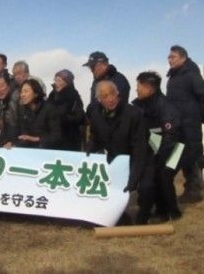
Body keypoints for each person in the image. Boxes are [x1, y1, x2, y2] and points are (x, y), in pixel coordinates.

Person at [87, 81, 154, 224]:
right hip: (116, 158)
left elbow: (139, 148)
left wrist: (134, 178)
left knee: (146, 187)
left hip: (140, 157)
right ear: (99, 99)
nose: (110, 99)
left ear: (117, 93)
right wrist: (89, 150)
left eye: (112, 94)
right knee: (114, 190)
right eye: (104, 96)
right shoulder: (95, 113)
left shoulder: (134, 113)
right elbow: (96, 137)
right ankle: (122, 217)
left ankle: (144, 216)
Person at [133, 71, 182, 221]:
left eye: (139, 86)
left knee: (164, 175)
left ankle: (173, 212)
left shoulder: (165, 107)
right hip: (158, 143)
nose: (136, 90)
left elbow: (171, 135)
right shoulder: (141, 105)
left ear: (148, 88)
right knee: (154, 173)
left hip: (177, 148)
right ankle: (161, 210)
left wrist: (158, 155)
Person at [166, 45, 204, 203]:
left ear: (183, 58)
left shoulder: (192, 75)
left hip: (190, 125)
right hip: (176, 125)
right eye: (169, 57)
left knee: (191, 157)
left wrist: (197, 116)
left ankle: (194, 191)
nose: (169, 60)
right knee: (176, 156)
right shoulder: (173, 76)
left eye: (173, 57)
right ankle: (183, 190)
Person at [15, 79, 62, 149]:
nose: (22, 95)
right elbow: (23, 136)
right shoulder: (22, 110)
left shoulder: (49, 108)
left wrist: (36, 139)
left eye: (26, 91)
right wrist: (13, 144)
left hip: (49, 151)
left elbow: (57, 136)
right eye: (21, 92)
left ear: (36, 93)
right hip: (30, 152)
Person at [46, 69, 85, 151]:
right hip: (53, 137)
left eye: (59, 80)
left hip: (70, 138)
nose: (56, 83)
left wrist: (63, 118)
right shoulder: (52, 95)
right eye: (55, 80)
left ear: (67, 82)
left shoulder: (74, 96)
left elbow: (80, 117)